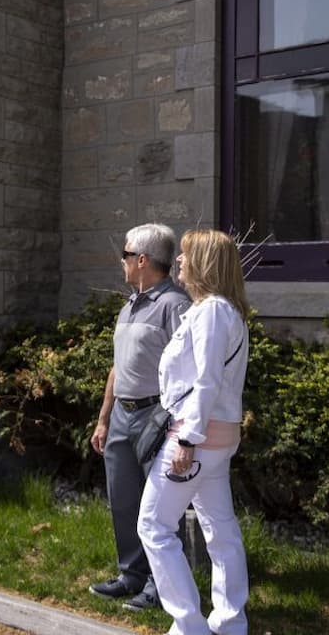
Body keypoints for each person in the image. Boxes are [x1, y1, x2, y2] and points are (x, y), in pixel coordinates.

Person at [138, 229, 251, 635]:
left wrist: (187, 439)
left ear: (203, 263)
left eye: (186, 256)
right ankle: (229, 623)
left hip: (196, 435)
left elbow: (206, 382)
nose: (180, 263)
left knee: (152, 525)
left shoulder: (212, 312)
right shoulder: (223, 311)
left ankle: (190, 626)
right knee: (220, 531)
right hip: (217, 437)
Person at [90, 224, 190, 612]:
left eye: (126, 255)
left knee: (161, 508)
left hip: (156, 416)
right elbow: (117, 368)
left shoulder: (175, 305)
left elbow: (187, 369)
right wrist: (103, 419)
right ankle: (131, 575)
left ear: (142, 260)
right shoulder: (129, 305)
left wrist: (178, 423)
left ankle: (160, 584)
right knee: (124, 501)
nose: (123, 262)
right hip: (121, 418)